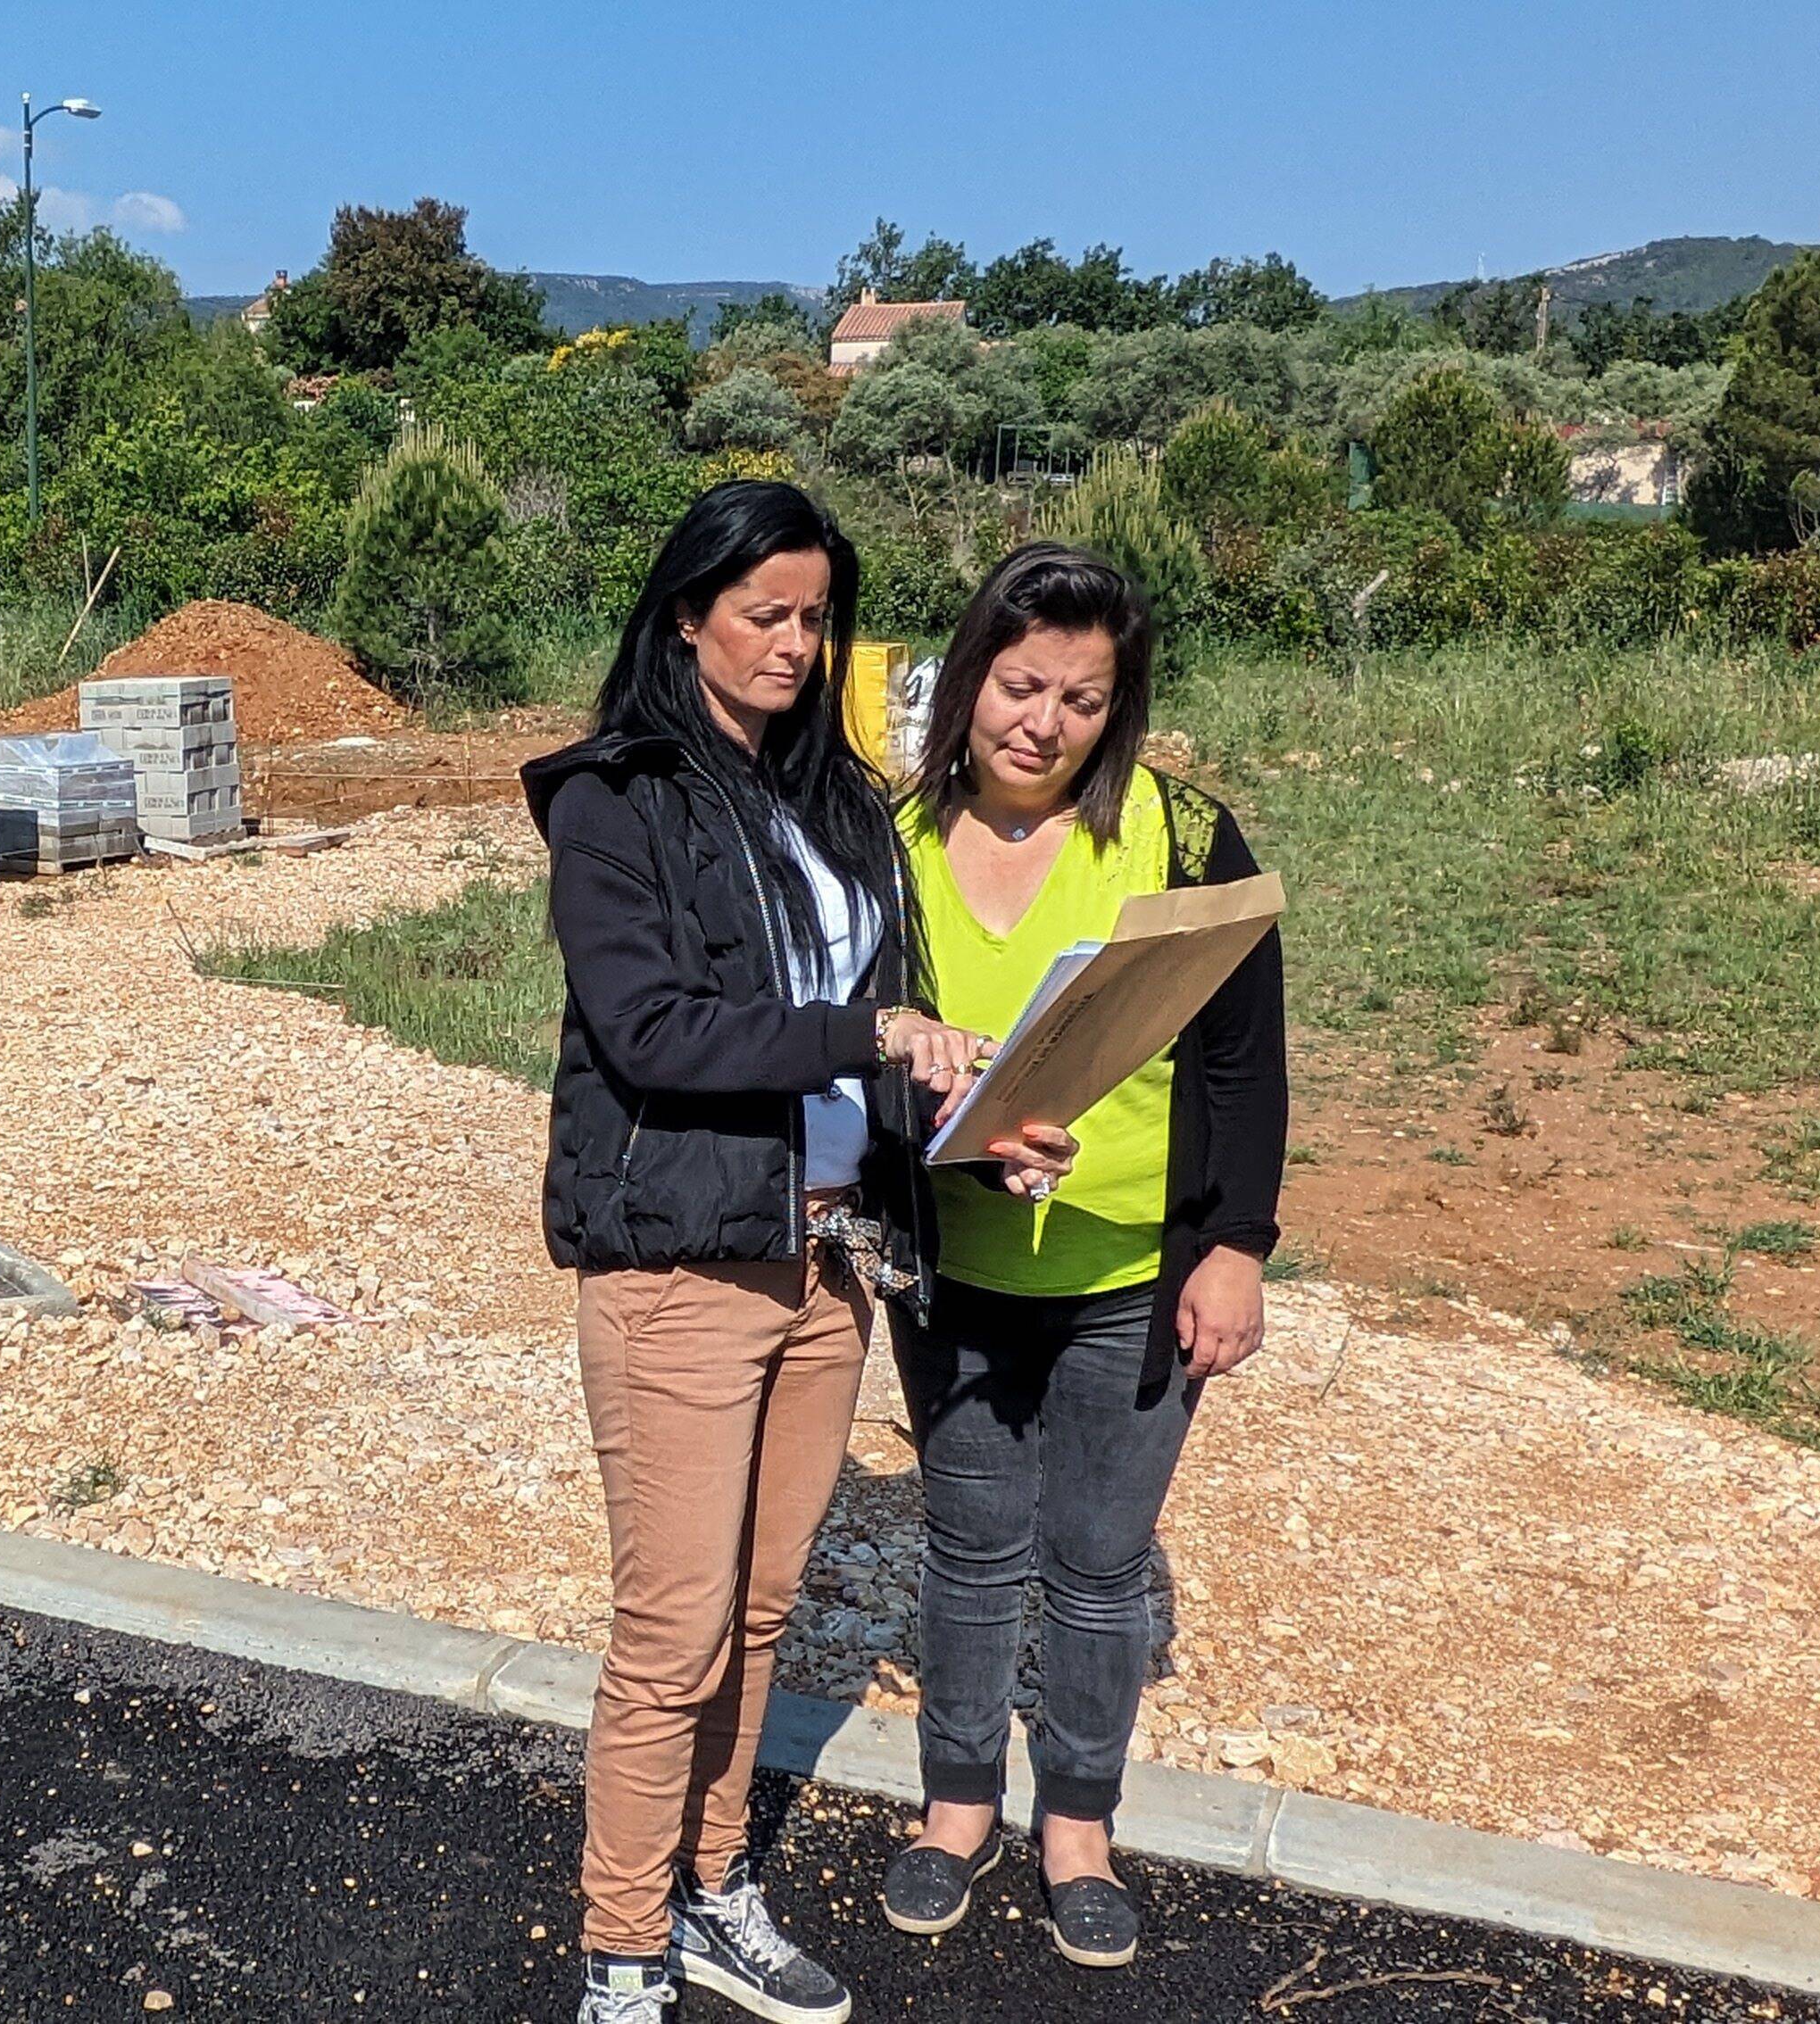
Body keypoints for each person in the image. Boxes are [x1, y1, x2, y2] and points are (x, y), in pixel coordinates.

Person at [523, 482, 1072, 2024]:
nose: (793, 640)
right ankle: (620, 1945)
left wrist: (976, 1116)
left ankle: (713, 1889)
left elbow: (878, 1047)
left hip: (829, 1266)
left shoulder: (835, 804)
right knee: (672, 1627)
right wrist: (870, 1027)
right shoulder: (613, 797)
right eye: (763, 611)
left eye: (815, 613)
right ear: (685, 612)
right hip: (682, 1269)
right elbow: (652, 1030)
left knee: (760, 1614)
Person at [871, 543, 1288, 1969]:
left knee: (1101, 1563)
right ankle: (956, 1805)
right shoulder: (890, 841)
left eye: (1085, 699)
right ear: (970, 676)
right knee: (973, 1549)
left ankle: (1080, 1825)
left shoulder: (1179, 840)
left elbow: (1243, 1060)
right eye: (1021, 684)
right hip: (959, 1274)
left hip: (1131, 1274)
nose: (1045, 722)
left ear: (1123, 708)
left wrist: (1233, 1247)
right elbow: (853, 1053)